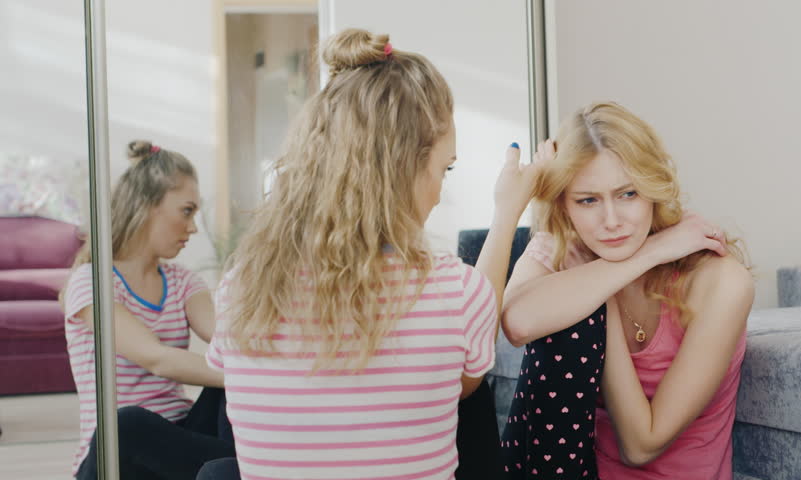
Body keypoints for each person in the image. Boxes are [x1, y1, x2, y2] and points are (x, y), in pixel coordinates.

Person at [197, 28, 545, 480]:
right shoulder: (453, 292)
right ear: (403, 170)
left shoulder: (241, 287)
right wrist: (507, 213)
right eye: (445, 169)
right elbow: (465, 383)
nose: (440, 192)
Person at [500, 102, 753, 479]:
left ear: (653, 189)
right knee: (556, 316)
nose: (612, 221)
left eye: (628, 194)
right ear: (564, 205)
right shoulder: (563, 249)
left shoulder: (717, 281)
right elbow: (517, 323)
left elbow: (642, 445)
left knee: (571, 311)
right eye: (587, 200)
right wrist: (650, 252)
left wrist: (600, 297)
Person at [62, 140, 235, 479]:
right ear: (147, 205)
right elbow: (156, 358)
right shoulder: (93, 281)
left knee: (226, 380)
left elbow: (226, 339)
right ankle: (254, 463)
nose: (193, 227)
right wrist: (249, 377)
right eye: (186, 211)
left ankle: (243, 464)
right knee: (127, 423)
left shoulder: (183, 281)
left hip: (178, 443)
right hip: (118, 455)